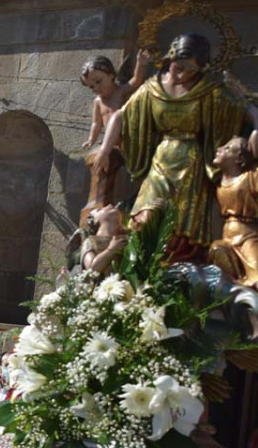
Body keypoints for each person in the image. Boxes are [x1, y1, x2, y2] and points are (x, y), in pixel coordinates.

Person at [96, 33, 258, 262]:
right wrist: (104, 150)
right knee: (145, 214)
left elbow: (244, 110)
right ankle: (141, 265)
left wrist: (256, 126)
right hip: (162, 160)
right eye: (180, 67)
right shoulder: (152, 89)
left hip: (192, 165)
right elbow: (121, 116)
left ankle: (174, 271)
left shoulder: (208, 91)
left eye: (191, 71)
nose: (183, 74)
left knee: (182, 224)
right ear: (170, 58)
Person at [209, 136, 258, 288]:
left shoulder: (250, 177)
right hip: (227, 236)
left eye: (228, 148)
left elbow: (255, 140)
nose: (219, 149)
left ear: (239, 159)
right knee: (216, 249)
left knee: (256, 273)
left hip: (247, 236)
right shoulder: (217, 181)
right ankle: (236, 285)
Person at [80, 51, 150, 151]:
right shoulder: (98, 102)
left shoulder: (120, 92)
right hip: (111, 143)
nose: (96, 88)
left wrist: (140, 63)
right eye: (91, 86)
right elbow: (96, 123)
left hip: (129, 139)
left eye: (98, 82)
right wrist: (91, 139)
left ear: (111, 75)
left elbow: (136, 80)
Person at [81, 204, 128, 274]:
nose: (110, 205)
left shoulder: (125, 238)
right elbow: (91, 270)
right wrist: (111, 249)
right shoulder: (90, 242)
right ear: (95, 220)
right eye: (99, 210)